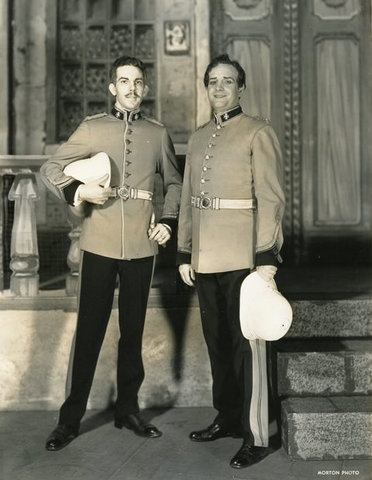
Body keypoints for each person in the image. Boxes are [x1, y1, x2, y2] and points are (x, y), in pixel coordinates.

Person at [41, 56, 182, 451]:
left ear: (146, 89)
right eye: (124, 81)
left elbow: (174, 183)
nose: (132, 89)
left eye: (138, 82)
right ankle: (69, 421)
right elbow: (50, 168)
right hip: (98, 242)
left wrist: (167, 222)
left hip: (141, 243)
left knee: (133, 332)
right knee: (89, 331)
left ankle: (128, 410)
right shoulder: (93, 128)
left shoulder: (158, 132)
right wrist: (79, 191)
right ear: (112, 87)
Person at [177, 54, 285, 469]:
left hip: (244, 257)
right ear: (206, 88)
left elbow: (271, 198)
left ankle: (257, 433)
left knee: (249, 348)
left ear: (241, 88)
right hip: (205, 257)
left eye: (228, 81)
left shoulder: (258, 132)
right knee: (218, 344)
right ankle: (227, 417)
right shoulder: (200, 137)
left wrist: (266, 258)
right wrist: (185, 251)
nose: (219, 88)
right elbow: (189, 199)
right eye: (213, 82)